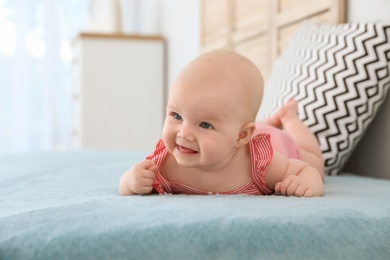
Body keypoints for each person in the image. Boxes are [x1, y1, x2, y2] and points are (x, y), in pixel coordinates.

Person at [119, 51, 324, 197]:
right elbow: (126, 183)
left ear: (242, 136)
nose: (184, 134)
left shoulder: (261, 163)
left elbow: (305, 171)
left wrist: (307, 182)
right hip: (240, 130)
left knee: (314, 160)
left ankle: (288, 117)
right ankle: (269, 121)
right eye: (177, 116)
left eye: (205, 125)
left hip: (277, 143)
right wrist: (131, 181)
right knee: (253, 124)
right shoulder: (164, 165)